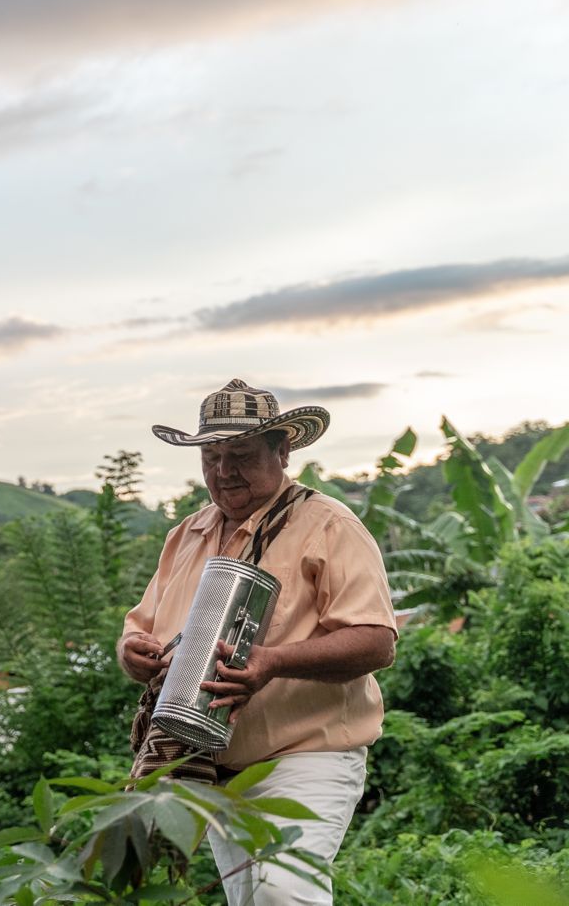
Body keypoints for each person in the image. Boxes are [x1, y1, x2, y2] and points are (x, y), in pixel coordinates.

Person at [118, 379, 398, 905]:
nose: (224, 471)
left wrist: (270, 662)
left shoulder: (329, 525)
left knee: (283, 893)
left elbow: (376, 642)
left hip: (306, 756)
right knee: (250, 898)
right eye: (212, 457)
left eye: (242, 455)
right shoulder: (187, 533)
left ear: (283, 451)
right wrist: (132, 651)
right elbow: (143, 626)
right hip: (211, 763)